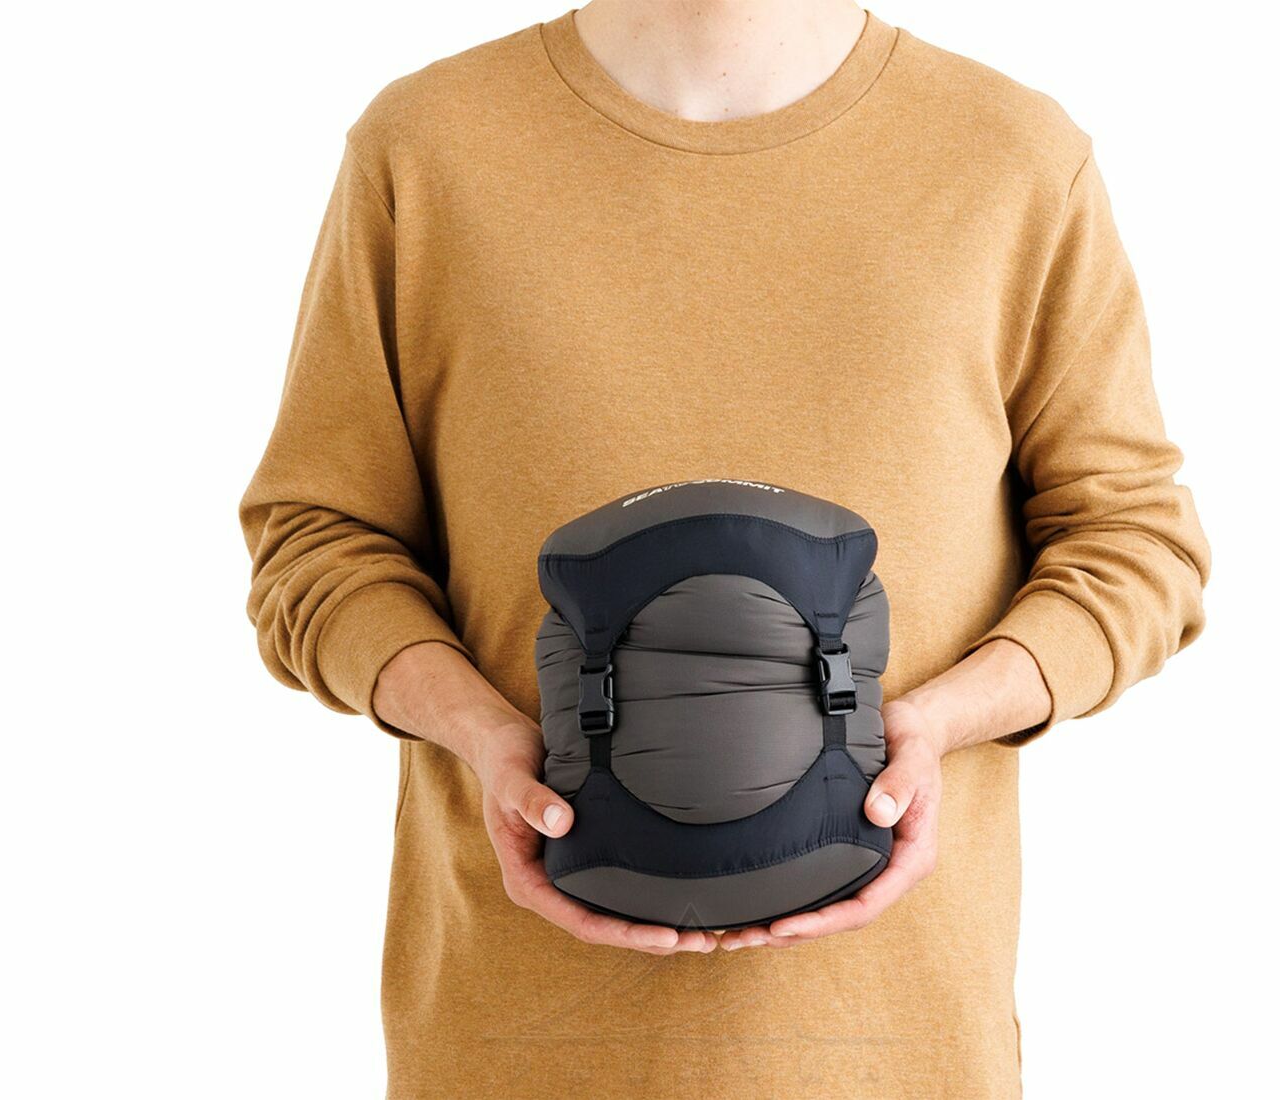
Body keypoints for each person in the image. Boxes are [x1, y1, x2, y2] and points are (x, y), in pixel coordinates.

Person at [239, 1, 1210, 1094]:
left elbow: (1132, 540)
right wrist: (481, 734)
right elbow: (319, 543)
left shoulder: (1011, 157)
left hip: (893, 1049)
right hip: (514, 1044)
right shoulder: (428, 147)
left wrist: (942, 722)